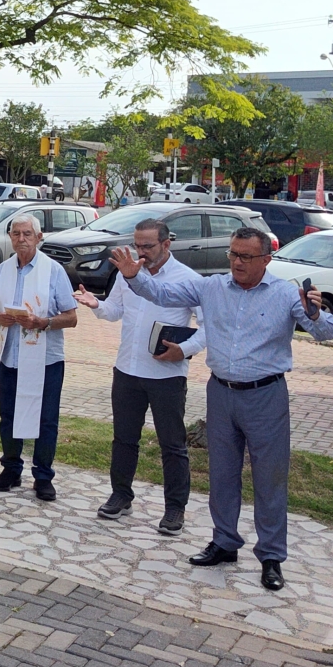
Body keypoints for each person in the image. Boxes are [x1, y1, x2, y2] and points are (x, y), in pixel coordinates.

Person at [109, 227, 333, 592]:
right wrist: (134, 276)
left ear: (266, 259)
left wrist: (315, 313)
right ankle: (224, 542)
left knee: (269, 478)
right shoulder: (211, 287)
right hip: (221, 392)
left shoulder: (284, 294)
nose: (237, 262)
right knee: (222, 473)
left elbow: (326, 333)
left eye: (246, 256)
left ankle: (271, 557)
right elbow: (163, 293)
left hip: (265, 395)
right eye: (233, 254)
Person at [72, 218, 194, 535]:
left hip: (167, 375)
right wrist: (95, 304)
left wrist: (185, 349)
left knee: (172, 444)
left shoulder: (187, 279)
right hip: (127, 369)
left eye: (147, 246)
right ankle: (121, 495)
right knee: (124, 438)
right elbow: (114, 310)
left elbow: (210, 326)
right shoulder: (127, 274)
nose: (140, 252)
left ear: (166, 244)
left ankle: (175, 509)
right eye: (137, 245)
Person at [0, 213, 78, 501]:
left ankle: (43, 476)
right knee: (8, 416)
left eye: (27, 234)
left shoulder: (54, 271)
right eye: (16, 234)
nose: (21, 239)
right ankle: (11, 469)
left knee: (46, 419)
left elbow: (71, 317)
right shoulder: (3, 270)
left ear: (38, 237)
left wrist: (42, 322)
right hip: (10, 356)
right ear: (10, 237)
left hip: (45, 359)